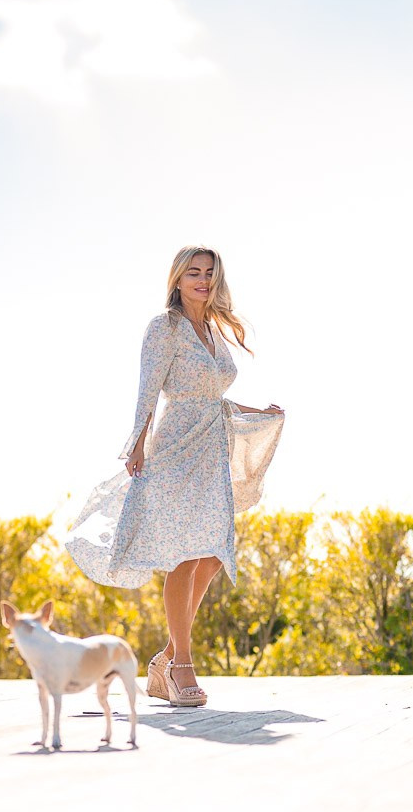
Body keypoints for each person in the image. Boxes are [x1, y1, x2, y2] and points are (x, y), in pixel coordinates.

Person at [66, 246, 284, 707]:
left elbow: (213, 399)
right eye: (193, 273)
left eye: (209, 273)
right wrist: (138, 442)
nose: (202, 280)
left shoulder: (212, 330)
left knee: (211, 554)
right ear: (177, 278)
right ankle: (183, 665)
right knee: (184, 556)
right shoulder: (163, 327)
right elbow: (149, 389)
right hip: (174, 446)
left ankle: (165, 659)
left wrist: (257, 411)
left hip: (211, 446)